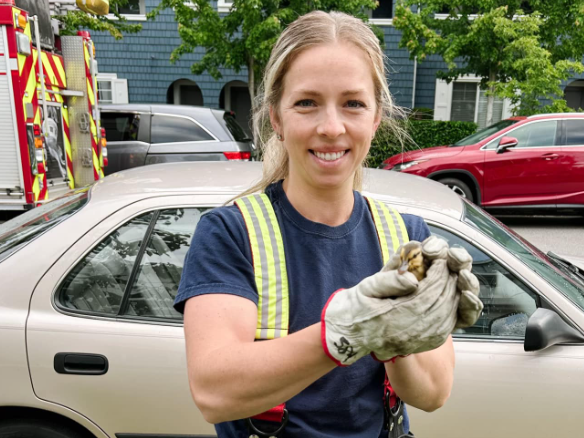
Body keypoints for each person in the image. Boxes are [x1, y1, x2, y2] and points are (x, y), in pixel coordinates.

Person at [174, 11, 481, 437]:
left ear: (376, 119)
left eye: (353, 104)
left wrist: (396, 336)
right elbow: (215, 392)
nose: (332, 127)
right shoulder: (230, 233)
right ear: (276, 119)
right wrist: (343, 331)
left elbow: (433, 394)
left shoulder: (409, 238)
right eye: (307, 103)